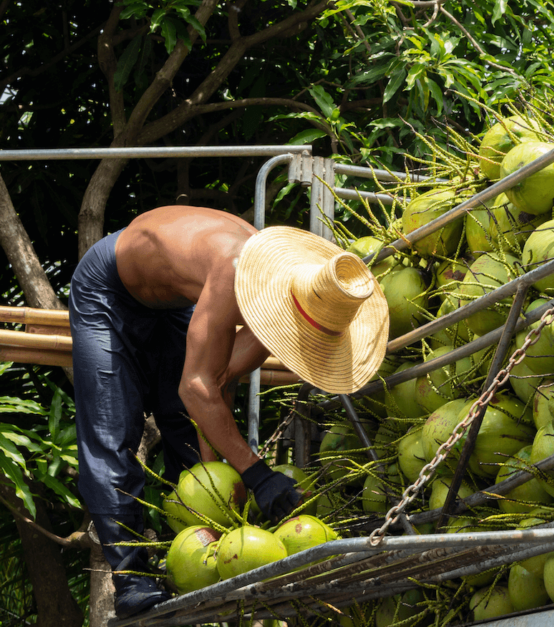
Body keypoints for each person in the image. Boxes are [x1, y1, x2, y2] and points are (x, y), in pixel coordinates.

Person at [68, 207, 389, 618]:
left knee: (185, 428)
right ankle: (130, 577)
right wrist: (258, 475)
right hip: (109, 287)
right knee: (113, 429)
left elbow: (216, 384)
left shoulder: (287, 298)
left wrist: (216, 482)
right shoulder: (237, 272)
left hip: (173, 299)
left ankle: (189, 553)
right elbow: (196, 387)